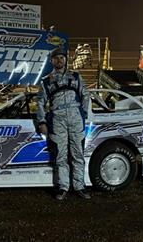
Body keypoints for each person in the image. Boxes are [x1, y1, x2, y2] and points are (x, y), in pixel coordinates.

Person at [37, 47, 90, 200]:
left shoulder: (75, 76)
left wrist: (82, 113)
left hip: (76, 118)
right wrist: (42, 121)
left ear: (66, 59)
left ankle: (80, 186)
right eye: (56, 58)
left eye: (61, 57)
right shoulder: (46, 81)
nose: (59, 60)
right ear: (51, 61)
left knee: (77, 153)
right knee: (60, 155)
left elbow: (85, 95)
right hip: (57, 119)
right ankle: (63, 187)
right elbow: (40, 102)